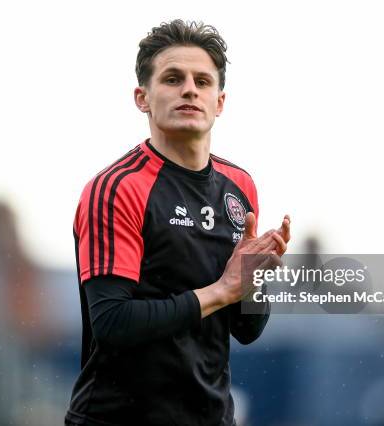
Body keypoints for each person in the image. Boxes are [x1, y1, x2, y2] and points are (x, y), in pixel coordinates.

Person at [65, 19, 291, 426]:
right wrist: (222, 290)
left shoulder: (240, 188)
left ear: (219, 102)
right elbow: (113, 323)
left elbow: (247, 329)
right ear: (143, 98)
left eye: (203, 81)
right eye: (173, 78)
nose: (190, 89)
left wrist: (251, 283)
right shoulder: (116, 188)